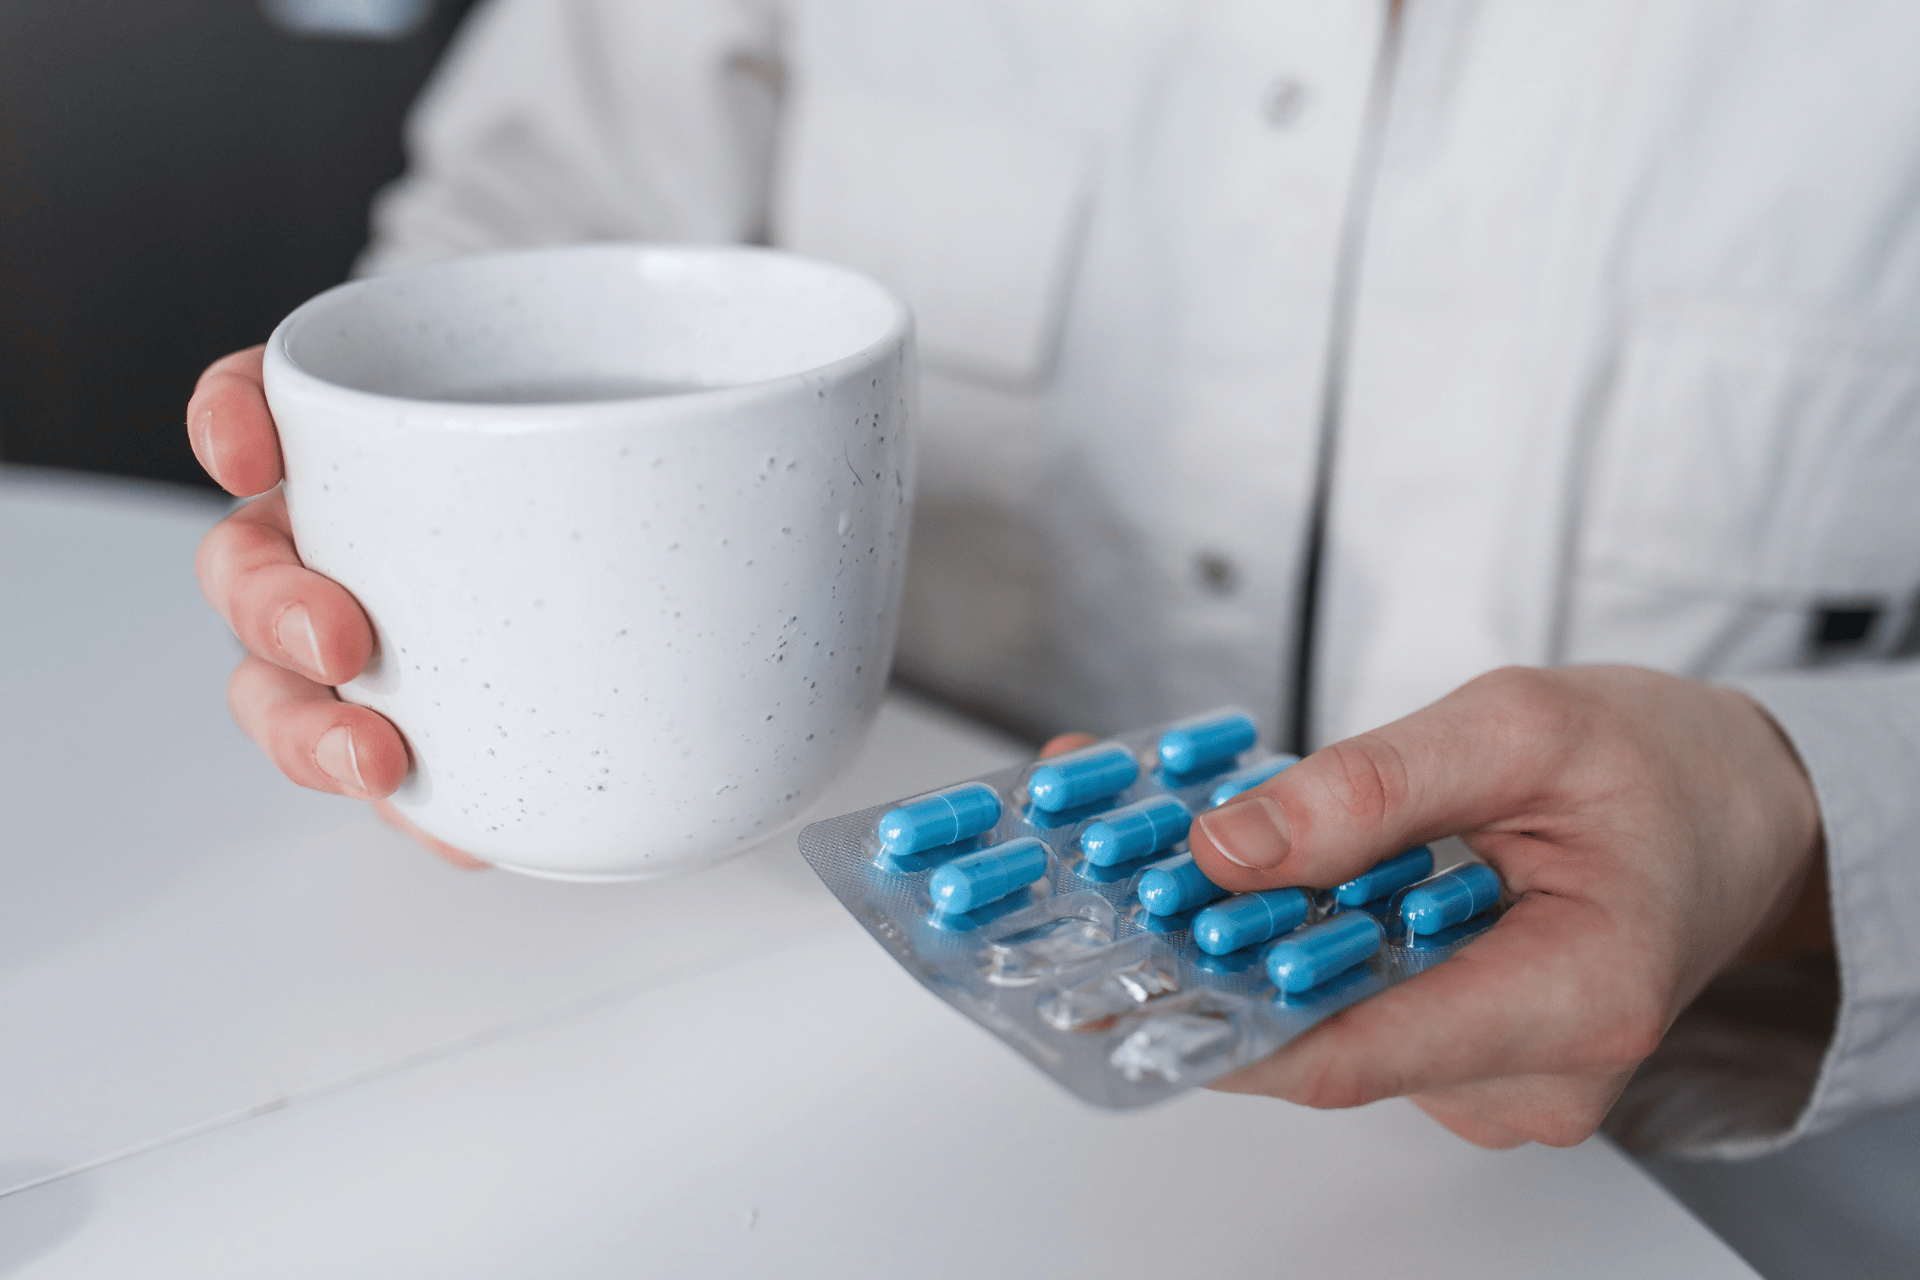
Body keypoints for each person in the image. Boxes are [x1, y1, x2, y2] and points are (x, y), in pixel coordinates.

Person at [186, 0, 1920, 1158]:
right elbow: (501, 251)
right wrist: (379, 524)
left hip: (1690, 1178)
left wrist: (1790, 823)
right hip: (789, 1082)